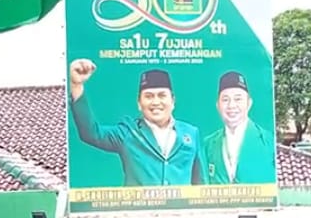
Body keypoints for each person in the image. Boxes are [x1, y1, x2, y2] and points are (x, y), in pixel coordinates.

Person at [68, 58, 205, 186]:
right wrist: (76, 85)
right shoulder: (128, 133)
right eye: (149, 96)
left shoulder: (191, 133)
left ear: (173, 101)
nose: (156, 102)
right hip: (138, 211)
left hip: (181, 211)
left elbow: (201, 183)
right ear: (139, 103)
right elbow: (91, 133)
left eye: (162, 95)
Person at [202, 71, 276, 184]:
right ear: (218, 105)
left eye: (238, 99)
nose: (231, 106)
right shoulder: (207, 145)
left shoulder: (269, 142)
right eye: (225, 100)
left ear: (249, 103)